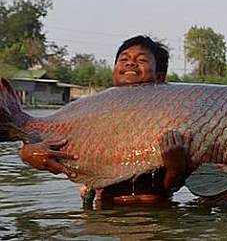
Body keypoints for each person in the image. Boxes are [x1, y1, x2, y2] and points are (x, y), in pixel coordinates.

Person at [19, 35, 188, 207]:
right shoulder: (88, 113)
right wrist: (26, 153)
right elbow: (41, 141)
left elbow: (173, 185)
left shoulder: (167, 118)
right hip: (103, 217)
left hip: (156, 215)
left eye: (142, 60)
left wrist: (175, 168)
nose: (130, 63)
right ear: (114, 71)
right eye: (124, 59)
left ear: (159, 76)